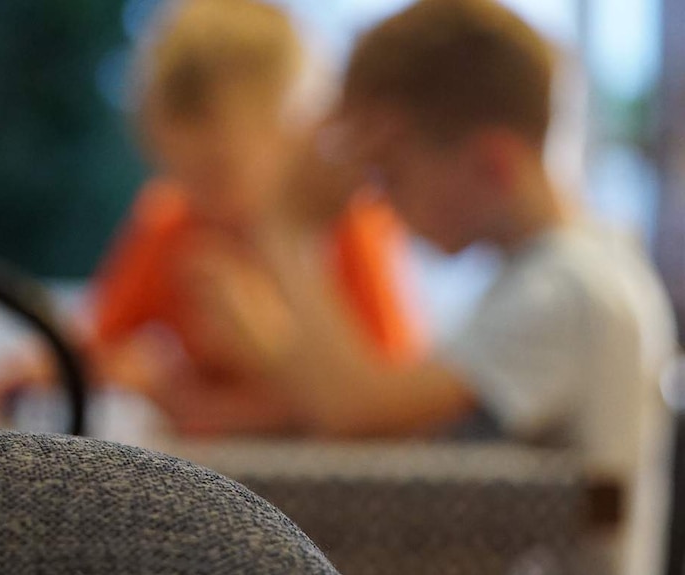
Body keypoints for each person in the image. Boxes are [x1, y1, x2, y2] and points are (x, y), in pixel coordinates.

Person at [153, 1, 675, 571]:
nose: (379, 199)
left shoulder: (567, 287)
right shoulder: (552, 276)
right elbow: (398, 435)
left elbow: (357, 415)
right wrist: (275, 353)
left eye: (391, 172)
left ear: (491, 163)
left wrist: (287, 233)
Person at [0, 0, 427, 434]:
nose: (200, 198)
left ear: (295, 134)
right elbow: (96, 345)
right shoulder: (171, 221)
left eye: (218, 171)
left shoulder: (349, 229)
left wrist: (263, 360)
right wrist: (25, 370)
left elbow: (381, 404)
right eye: (179, 172)